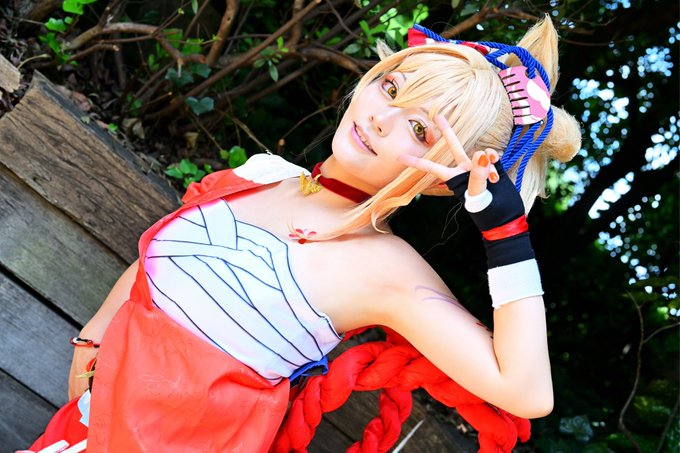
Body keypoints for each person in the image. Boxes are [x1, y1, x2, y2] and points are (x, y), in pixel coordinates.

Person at [25, 14, 580, 453]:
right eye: (391, 87)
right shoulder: (264, 173)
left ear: (444, 179)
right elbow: (155, 267)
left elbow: (526, 391)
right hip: (80, 429)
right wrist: (92, 336)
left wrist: (505, 232)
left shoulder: (384, 269)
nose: (381, 118)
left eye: (418, 129)